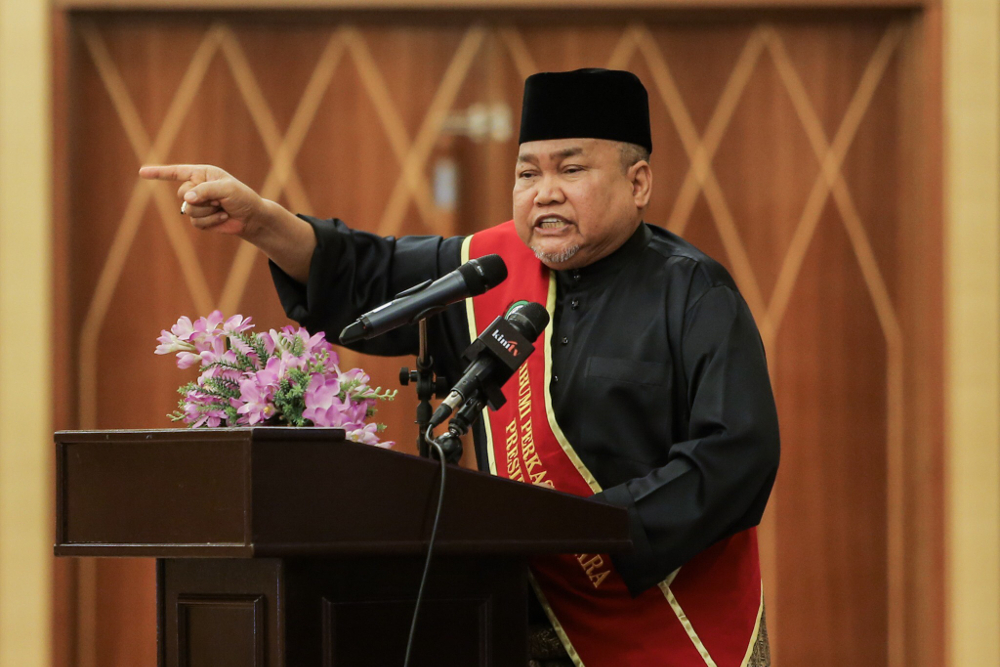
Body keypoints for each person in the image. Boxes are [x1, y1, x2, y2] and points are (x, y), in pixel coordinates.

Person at [141, 68, 779, 667]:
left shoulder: (693, 292)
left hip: (667, 622)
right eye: (527, 173)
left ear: (638, 183)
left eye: (572, 169)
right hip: (510, 618)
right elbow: (367, 273)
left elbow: (735, 454)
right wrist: (260, 221)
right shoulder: (488, 273)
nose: (545, 192)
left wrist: (593, 535)